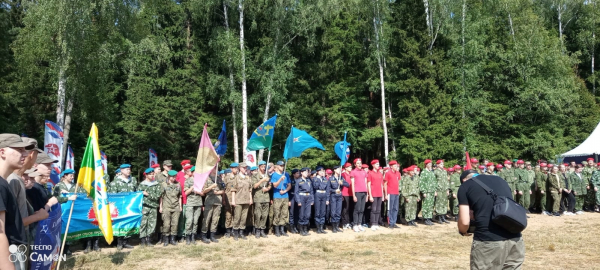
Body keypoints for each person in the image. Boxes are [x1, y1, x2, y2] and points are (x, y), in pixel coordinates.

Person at [457, 170, 525, 269]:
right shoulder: (500, 180)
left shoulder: (465, 186)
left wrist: (463, 231)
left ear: (464, 180)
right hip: (515, 238)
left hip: (488, 241)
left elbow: (464, 221)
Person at [0, 134, 36, 270]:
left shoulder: (4, 183)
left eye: (25, 150)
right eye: (19, 150)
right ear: (2, 152)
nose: (26, 154)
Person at [108, 164, 137, 250]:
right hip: (119, 207)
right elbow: (112, 196)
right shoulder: (115, 182)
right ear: (121, 171)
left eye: (129, 169)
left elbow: (136, 192)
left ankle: (126, 242)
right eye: (127, 169)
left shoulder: (133, 180)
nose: (129, 171)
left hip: (130, 207)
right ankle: (119, 242)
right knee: (119, 223)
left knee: (128, 223)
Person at [52, 169, 78, 254]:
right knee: (60, 228)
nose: (72, 177)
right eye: (70, 175)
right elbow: (54, 198)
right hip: (61, 211)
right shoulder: (58, 186)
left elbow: (81, 196)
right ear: (65, 176)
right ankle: (59, 248)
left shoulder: (75, 186)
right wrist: (64, 196)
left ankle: (67, 247)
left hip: (72, 211)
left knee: (69, 228)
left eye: (73, 175)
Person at [138, 168, 162, 247]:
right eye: (150, 174)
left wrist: (147, 194)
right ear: (146, 175)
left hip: (153, 206)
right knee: (143, 223)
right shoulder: (142, 184)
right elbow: (138, 196)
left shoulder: (157, 184)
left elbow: (157, 196)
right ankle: (142, 239)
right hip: (144, 206)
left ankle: (149, 239)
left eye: (153, 174)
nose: (152, 175)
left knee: (152, 223)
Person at [160, 170, 182, 246]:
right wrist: (161, 207)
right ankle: (166, 239)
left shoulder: (178, 184)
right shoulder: (164, 184)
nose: (173, 178)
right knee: (166, 224)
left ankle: (173, 239)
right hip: (166, 206)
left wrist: (180, 206)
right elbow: (161, 197)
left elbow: (180, 196)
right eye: (172, 177)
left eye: (175, 176)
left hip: (176, 207)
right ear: (169, 176)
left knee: (175, 224)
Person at [231, 164, 253, 241]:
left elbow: (250, 189)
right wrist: (233, 201)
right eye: (244, 167)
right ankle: (235, 232)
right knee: (237, 217)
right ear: (240, 168)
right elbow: (233, 190)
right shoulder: (236, 178)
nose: (245, 169)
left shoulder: (248, 178)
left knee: (244, 217)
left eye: (246, 167)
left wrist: (250, 199)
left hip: (246, 200)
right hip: (238, 200)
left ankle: (241, 232)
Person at [201, 169, 223, 243]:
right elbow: (204, 191)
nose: (215, 170)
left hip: (217, 201)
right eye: (214, 168)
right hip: (209, 201)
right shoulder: (206, 178)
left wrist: (217, 192)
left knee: (215, 219)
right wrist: (211, 187)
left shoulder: (219, 178)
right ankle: (204, 235)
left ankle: (212, 235)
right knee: (207, 219)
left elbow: (223, 190)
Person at [183, 165, 203, 244]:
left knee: (195, 221)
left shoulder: (201, 181)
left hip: (198, 203)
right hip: (190, 203)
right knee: (189, 220)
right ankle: (188, 236)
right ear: (192, 173)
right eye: (195, 172)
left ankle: (193, 237)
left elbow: (203, 193)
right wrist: (192, 188)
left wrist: (197, 192)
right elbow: (186, 193)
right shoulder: (188, 181)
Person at [270, 161, 290, 237]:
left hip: (285, 196)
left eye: (283, 165)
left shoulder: (286, 174)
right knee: (277, 213)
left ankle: (282, 229)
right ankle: (276, 229)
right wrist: (280, 179)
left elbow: (289, 185)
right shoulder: (274, 175)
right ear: (277, 166)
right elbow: (274, 185)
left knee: (284, 213)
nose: (282, 167)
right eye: (281, 166)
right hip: (277, 196)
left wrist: (285, 190)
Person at [252, 161, 271, 238]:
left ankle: (262, 230)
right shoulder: (255, 176)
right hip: (258, 197)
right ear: (259, 167)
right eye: (262, 166)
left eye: (264, 166)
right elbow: (254, 186)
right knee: (258, 214)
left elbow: (270, 184)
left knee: (265, 215)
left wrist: (268, 188)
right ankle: (257, 230)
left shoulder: (267, 175)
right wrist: (262, 180)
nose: (263, 168)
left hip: (266, 197)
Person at [328, 166, 348, 233]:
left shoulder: (341, 178)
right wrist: (334, 191)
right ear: (334, 170)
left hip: (339, 196)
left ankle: (337, 226)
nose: (340, 170)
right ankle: (333, 227)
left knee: (338, 211)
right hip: (333, 196)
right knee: (333, 211)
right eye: (338, 169)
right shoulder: (331, 179)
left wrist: (342, 183)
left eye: (340, 169)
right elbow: (328, 189)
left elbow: (348, 185)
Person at [350, 158, 368, 232]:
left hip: (364, 192)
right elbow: (353, 185)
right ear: (355, 164)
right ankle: (355, 224)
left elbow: (366, 183)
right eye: (358, 163)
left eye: (360, 163)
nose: (360, 164)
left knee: (362, 209)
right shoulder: (353, 172)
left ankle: (359, 224)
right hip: (357, 192)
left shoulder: (364, 172)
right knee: (357, 209)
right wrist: (354, 195)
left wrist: (367, 194)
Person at [295, 168, 314, 236]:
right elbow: (296, 192)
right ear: (302, 173)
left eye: (307, 172)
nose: (306, 173)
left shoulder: (309, 180)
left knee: (308, 214)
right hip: (301, 197)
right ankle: (301, 229)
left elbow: (311, 191)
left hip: (308, 197)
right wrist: (298, 201)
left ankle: (305, 229)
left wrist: (312, 200)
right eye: (305, 172)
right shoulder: (298, 181)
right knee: (302, 214)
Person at [311, 166, 329, 234]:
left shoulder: (325, 179)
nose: (322, 172)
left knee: (323, 212)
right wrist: (318, 179)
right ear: (317, 172)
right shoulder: (315, 179)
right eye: (321, 171)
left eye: (323, 171)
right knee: (317, 211)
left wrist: (327, 198)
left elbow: (327, 189)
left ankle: (321, 227)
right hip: (317, 194)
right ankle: (318, 227)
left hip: (324, 195)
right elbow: (315, 186)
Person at [366, 160, 384, 230]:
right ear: (373, 165)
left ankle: (376, 223)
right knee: (373, 209)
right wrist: (370, 195)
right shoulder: (370, 173)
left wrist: (382, 194)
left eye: (378, 164)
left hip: (379, 194)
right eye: (376, 164)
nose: (378, 165)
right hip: (373, 194)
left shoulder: (380, 174)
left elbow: (381, 185)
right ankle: (372, 223)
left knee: (378, 209)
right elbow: (369, 184)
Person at [419, 159, 436, 226]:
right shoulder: (424, 172)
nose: (430, 165)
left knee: (431, 205)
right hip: (427, 191)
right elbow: (421, 183)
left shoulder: (431, 172)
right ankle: (425, 218)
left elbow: (435, 182)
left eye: (431, 164)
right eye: (429, 164)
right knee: (426, 205)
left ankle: (429, 218)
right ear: (426, 165)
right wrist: (423, 192)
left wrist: (435, 190)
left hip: (432, 191)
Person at [433, 160, 449, 224]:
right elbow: (434, 182)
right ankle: (439, 217)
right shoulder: (435, 172)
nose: (443, 165)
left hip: (444, 190)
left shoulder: (444, 171)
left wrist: (447, 189)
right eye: (441, 164)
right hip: (439, 190)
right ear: (438, 165)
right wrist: (435, 190)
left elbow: (446, 181)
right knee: (439, 203)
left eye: (443, 164)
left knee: (444, 203)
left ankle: (443, 217)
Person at [340, 163, 354, 230]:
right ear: (345, 168)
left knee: (350, 209)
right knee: (345, 209)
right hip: (345, 193)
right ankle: (344, 223)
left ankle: (349, 222)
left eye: (351, 167)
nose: (350, 168)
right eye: (349, 167)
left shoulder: (352, 174)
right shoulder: (343, 175)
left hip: (351, 193)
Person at [288, 168, 300, 234]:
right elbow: (289, 191)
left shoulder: (299, 180)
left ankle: (296, 226)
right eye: (297, 173)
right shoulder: (291, 181)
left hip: (297, 198)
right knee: (291, 213)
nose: (299, 174)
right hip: (292, 197)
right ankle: (291, 227)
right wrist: (289, 200)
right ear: (294, 174)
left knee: (297, 213)